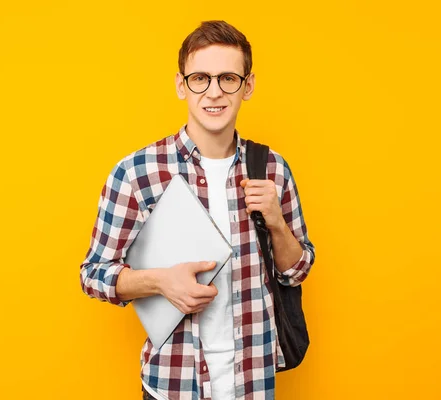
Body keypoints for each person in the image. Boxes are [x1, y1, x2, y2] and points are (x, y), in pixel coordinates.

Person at [79, 20, 316, 400]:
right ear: (181, 85)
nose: (214, 92)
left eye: (228, 78)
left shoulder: (272, 168)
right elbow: (93, 274)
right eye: (200, 78)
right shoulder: (137, 173)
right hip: (172, 387)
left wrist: (276, 222)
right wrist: (160, 282)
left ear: (248, 86)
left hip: (254, 385)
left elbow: (296, 271)